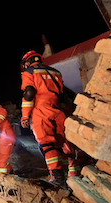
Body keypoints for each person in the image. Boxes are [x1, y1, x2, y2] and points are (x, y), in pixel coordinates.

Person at [19, 50, 79, 186]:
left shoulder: (30, 72)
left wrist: (25, 115)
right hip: (57, 110)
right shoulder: (55, 72)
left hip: (41, 110)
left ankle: (57, 179)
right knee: (59, 144)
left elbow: (29, 93)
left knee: (46, 144)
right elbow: (64, 93)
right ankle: (64, 176)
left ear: (27, 62)